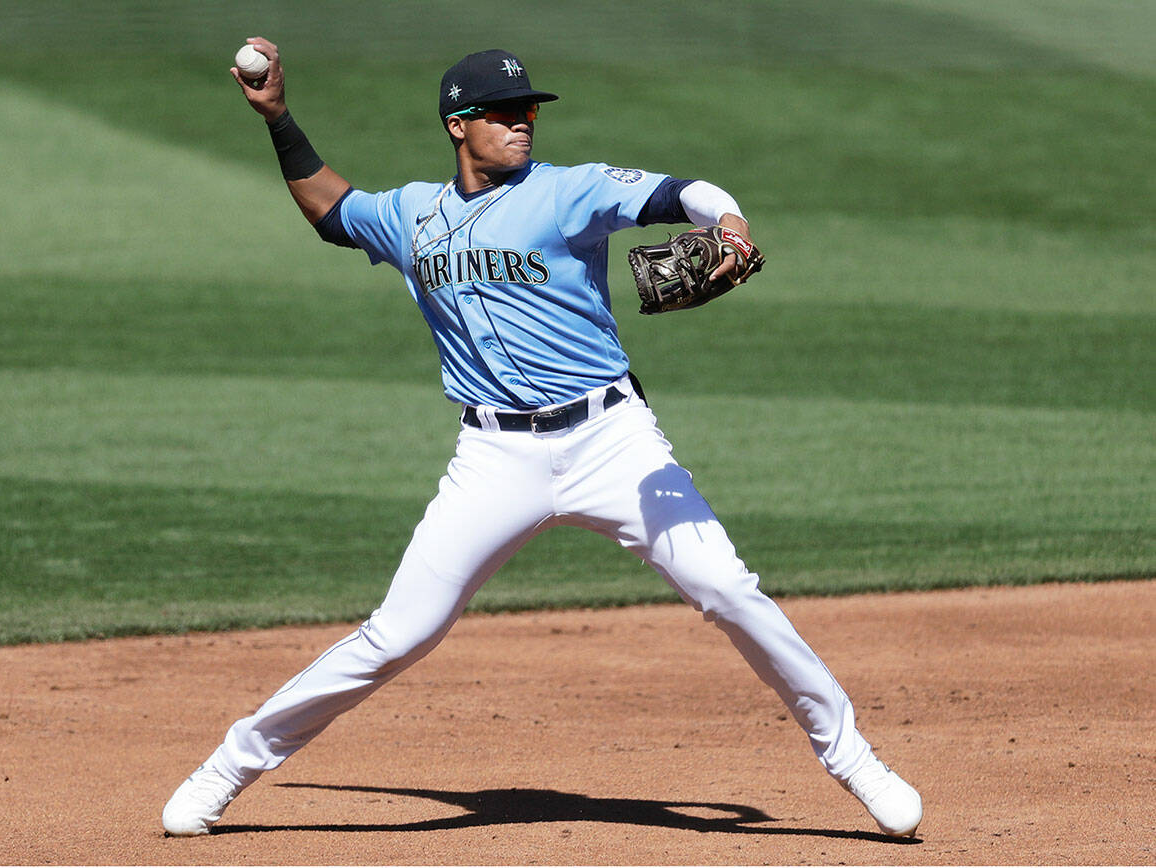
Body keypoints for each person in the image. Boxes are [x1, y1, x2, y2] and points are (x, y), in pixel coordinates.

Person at [162, 39, 923, 839]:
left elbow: (680, 192)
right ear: (459, 123)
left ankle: (851, 757)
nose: (524, 125)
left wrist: (727, 218)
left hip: (612, 441)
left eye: (530, 112)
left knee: (730, 591)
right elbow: (331, 209)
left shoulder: (571, 191)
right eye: (505, 113)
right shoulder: (411, 215)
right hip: (494, 457)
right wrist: (279, 119)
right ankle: (228, 768)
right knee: (398, 636)